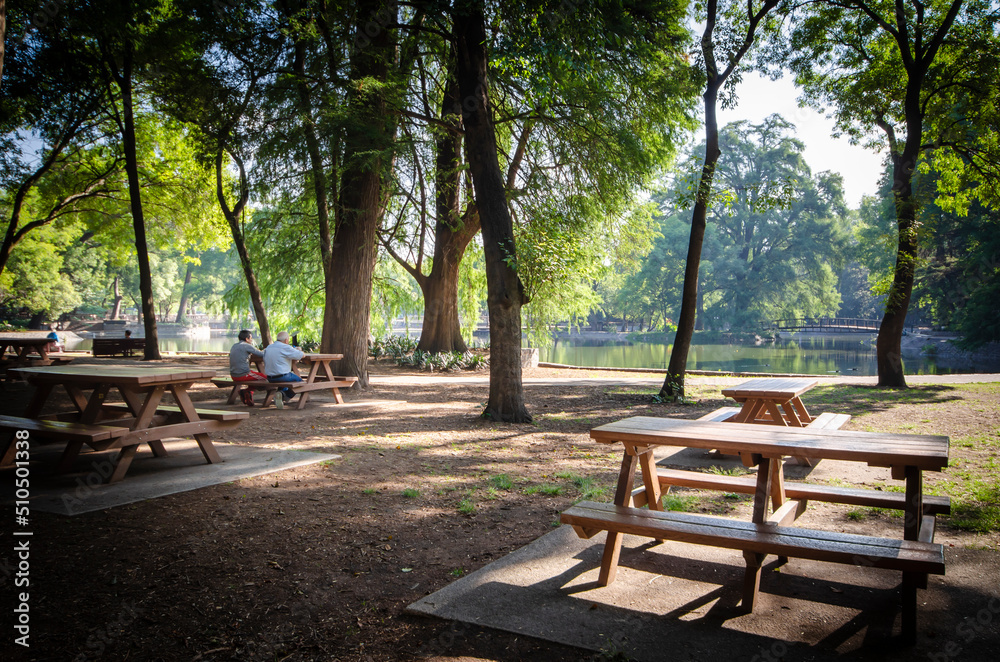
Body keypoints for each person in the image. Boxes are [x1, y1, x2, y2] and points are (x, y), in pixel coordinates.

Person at [263, 331, 304, 409]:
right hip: (283, 376)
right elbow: (302, 355)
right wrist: (299, 350)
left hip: (270, 378)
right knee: (301, 383)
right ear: (286, 340)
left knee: (285, 381)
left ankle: (280, 394)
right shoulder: (285, 347)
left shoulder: (269, 347)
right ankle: (284, 395)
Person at [229, 330, 266, 407]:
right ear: (247, 339)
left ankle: (248, 392)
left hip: (233, 375)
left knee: (255, 375)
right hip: (243, 374)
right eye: (251, 338)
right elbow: (262, 354)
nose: (251, 340)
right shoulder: (246, 346)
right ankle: (248, 391)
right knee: (266, 378)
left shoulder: (234, 346)